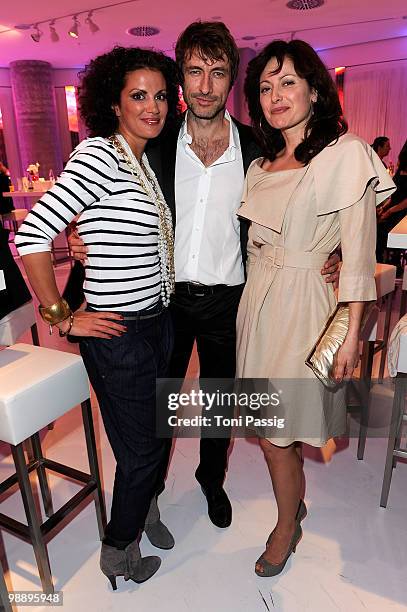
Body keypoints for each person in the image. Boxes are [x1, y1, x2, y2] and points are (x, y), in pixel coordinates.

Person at [69, 21, 341, 530]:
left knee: (221, 404)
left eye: (217, 73)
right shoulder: (153, 140)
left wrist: (337, 251)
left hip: (231, 300)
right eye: (194, 71)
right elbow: (97, 201)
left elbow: (312, 195)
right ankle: (145, 490)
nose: (204, 85)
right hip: (163, 298)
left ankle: (211, 479)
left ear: (232, 79)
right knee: (159, 403)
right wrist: (77, 246)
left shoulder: (258, 146)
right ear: (181, 79)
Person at [15, 46, 181, 590]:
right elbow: (32, 236)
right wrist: (62, 318)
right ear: (113, 102)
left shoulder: (141, 162)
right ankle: (118, 547)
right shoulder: (99, 157)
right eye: (138, 95)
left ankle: (145, 508)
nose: (152, 106)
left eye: (160, 94)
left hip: (158, 321)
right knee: (141, 450)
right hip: (119, 331)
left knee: (153, 432)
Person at [236, 39, 396, 577]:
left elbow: (357, 251)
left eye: (287, 82)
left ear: (313, 88)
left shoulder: (345, 154)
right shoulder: (260, 163)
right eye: (264, 86)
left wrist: (352, 332)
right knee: (265, 425)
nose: (275, 95)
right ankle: (291, 504)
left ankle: (287, 523)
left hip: (303, 307)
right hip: (255, 303)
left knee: (282, 430)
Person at [377, 139, 407, 266]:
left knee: (385, 230)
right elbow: (395, 196)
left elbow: (405, 202)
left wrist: (389, 211)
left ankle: (392, 263)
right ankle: (380, 262)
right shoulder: (400, 171)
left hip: (402, 211)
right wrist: (384, 207)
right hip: (395, 208)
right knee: (377, 227)